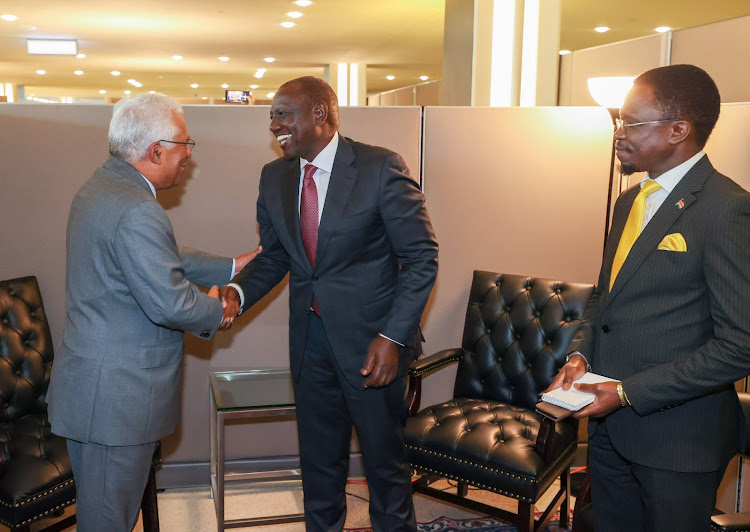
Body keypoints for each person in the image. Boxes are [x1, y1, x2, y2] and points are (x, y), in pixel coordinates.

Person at [219, 76, 438, 531]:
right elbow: (277, 256)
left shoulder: (379, 167)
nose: (274, 124)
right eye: (272, 115)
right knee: (319, 471)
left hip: (374, 347)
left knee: (384, 469)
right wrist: (237, 294)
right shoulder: (274, 176)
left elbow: (420, 258)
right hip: (310, 344)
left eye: (284, 113)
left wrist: (392, 335)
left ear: (319, 114)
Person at [546, 64, 750, 531]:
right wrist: (580, 356)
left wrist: (625, 392)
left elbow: (741, 344)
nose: (619, 132)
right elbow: (607, 299)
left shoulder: (727, 209)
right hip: (609, 432)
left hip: (677, 441)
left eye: (632, 123)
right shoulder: (629, 201)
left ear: (679, 130)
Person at [46, 93, 260, 532]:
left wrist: (229, 266)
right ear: (155, 150)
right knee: (108, 522)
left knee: (103, 514)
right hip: (116, 403)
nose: (189, 154)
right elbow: (172, 302)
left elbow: (160, 255)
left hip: (95, 388)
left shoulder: (104, 187)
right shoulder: (138, 210)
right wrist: (218, 310)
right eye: (184, 143)